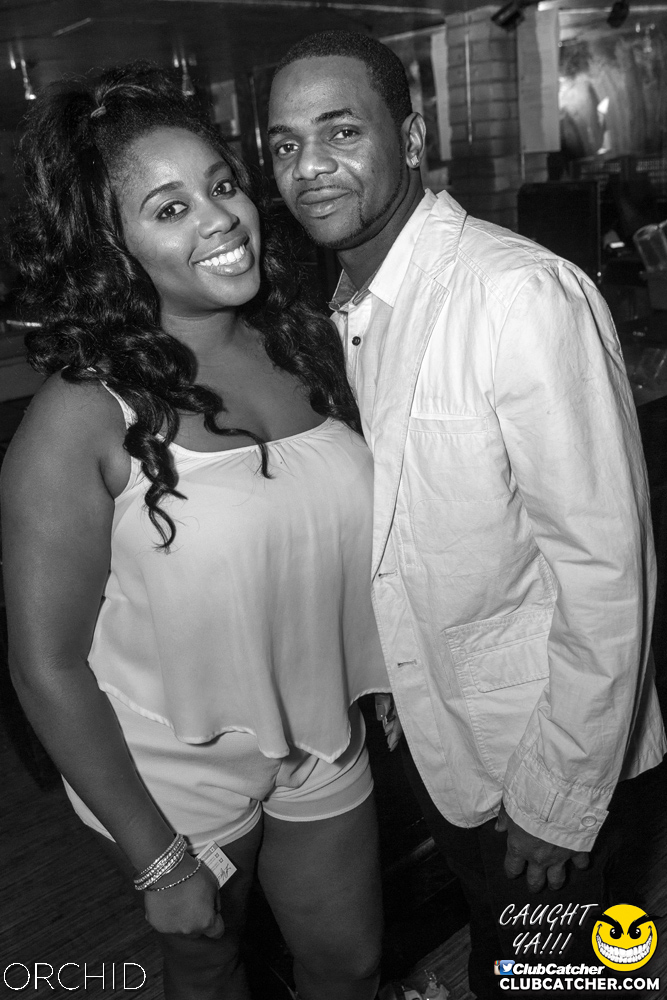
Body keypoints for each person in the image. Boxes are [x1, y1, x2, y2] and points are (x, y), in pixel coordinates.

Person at [268, 30, 667, 999]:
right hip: (445, 745)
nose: (308, 166)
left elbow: (607, 569)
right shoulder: (348, 312)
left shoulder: (515, 295)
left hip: (541, 759)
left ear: (410, 140)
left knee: (547, 980)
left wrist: (557, 795)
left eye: (339, 131)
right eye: (283, 144)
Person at [2, 64, 389, 1000]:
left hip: (320, 732)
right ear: (112, 250)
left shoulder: (306, 340)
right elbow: (44, 665)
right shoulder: (81, 417)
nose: (221, 219)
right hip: (170, 766)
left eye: (222, 186)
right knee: (210, 970)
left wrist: (377, 666)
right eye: (170, 209)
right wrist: (154, 857)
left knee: (349, 962)